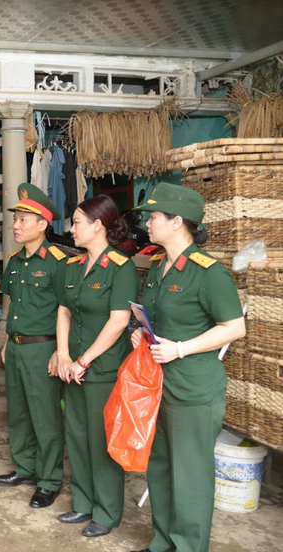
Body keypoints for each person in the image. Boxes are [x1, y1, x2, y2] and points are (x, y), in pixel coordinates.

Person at [130, 182, 245, 552]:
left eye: (154, 217)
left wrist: (181, 348)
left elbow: (234, 327)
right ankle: (162, 541)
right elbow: (158, 319)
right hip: (159, 385)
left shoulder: (208, 273)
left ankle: (188, 547)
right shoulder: (159, 266)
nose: (148, 223)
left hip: (194, 389)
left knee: (191, 477)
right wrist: (140, 336)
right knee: (161, 468)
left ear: (178, 221)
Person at [54, 195, 140, 538]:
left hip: (101, 370)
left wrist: (84, 360)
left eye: (76, 222)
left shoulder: (122, 266)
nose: (71, 228)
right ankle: (83, 502)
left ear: (97, 226)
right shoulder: (73, 266)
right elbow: (63, 311)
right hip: (72, 368)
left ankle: (106, 511)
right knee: (76, 437)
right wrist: (62, 356)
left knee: (102, 442)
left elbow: (119, 321)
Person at [0, 183, 68, 509]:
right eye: (16, 219)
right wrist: (8, 341)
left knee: (45, 417)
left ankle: (50, 480)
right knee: (19, 414)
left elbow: (66, 311)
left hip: (44, 349)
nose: (16, 225)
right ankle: (25, 468)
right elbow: (16, 305)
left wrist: (60, 351)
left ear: (43, 224)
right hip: (17, 346)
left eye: (24, 219)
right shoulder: (13, 262)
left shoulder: (57, 262)